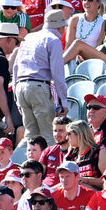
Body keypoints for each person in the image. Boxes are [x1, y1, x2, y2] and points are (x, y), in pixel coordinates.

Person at [12, 9, 68, 141]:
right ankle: (50, 162)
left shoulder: (29, 37)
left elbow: (15, 67)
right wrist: (63, 101)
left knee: (31, 137)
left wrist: (16, 97)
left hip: (21, 87)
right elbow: (57, 73)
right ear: (61, 27)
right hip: (38, 87)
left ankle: (31, 161)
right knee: (49, 135)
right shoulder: (54, 40)